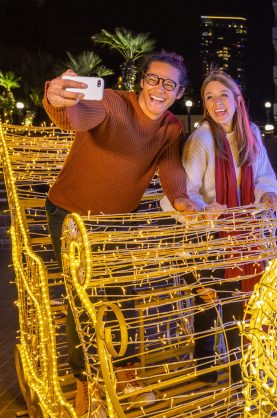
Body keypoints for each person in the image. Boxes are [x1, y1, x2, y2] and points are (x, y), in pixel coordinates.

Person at [43, 51, 199, 415]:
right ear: (142, 81)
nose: (159, 89)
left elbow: (171, 167)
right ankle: (87, 381)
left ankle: (125, 371)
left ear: (179, 93)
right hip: (69, 215)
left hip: (115, 221)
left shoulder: (171, 127)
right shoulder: (112, 102)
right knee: (82, 298)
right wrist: (56, 100)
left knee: (124, 292)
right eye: (153, 79)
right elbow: (78, 117)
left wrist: (181, 200)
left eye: (169, 84)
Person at [160, 69, 277, 384]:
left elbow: (263, 177)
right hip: (210, 234)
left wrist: (268, 193)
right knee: (211, 302)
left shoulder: (251, 133)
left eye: (223, 95)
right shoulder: (202, 139)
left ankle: (240, 372)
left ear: (237, 99)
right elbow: (184, 191)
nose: (217, 103)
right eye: (209, 98)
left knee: (240, 303)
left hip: (246, 234)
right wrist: (203, 209)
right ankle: (208, 371)